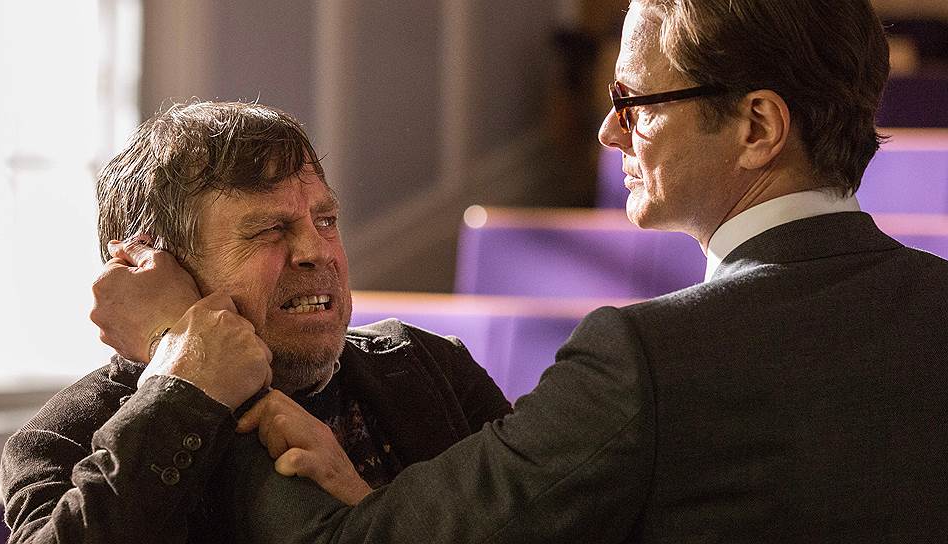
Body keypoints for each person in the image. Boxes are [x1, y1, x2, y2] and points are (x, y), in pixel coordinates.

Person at [176, 1, 946, 542]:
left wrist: (193, 355)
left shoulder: (647, 361)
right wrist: (369, 498)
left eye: (636, 101)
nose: (610, 131)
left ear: (757, 126)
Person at [0, 102, 511, 543]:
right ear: (149, 266)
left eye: (326, 221)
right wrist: (183, 386)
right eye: (269, 229)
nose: (317, 251)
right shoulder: (63, 439)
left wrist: (361, 499)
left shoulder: (431, 369)